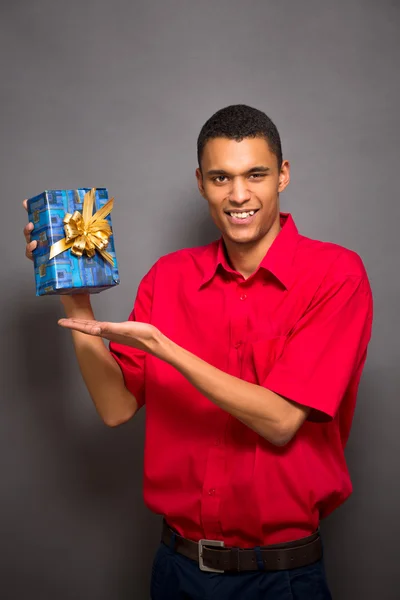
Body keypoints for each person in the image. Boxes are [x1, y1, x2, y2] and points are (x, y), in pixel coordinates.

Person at [23, 104, 373, 599]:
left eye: (256, 174)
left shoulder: (336, 276)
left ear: (283, 175)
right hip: (177, 571)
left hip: (281, 580)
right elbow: (115, 407)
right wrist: (71, 290)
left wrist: (167, 349)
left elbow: (279, 421)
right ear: (201, 182)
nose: (239, 195)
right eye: (220, 178)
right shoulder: (168, 278)